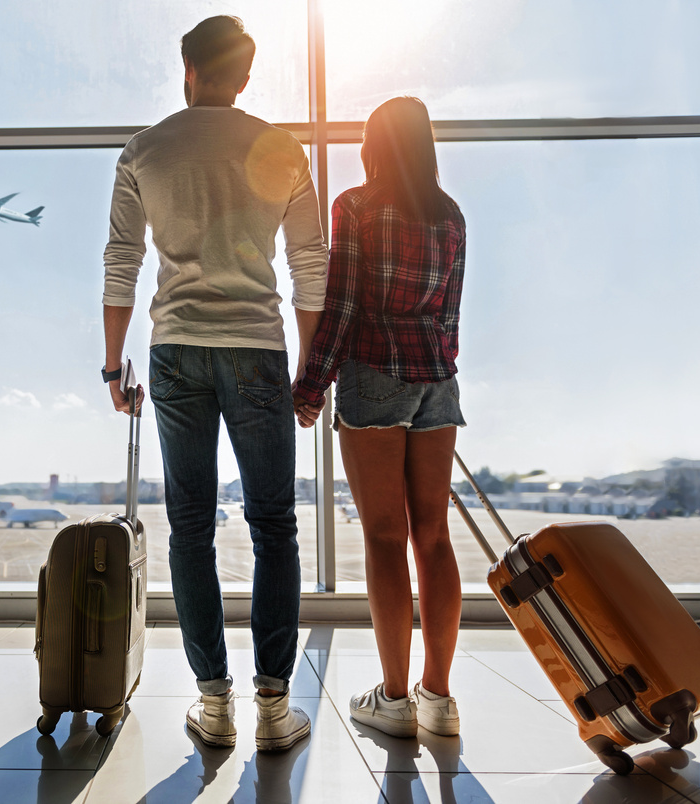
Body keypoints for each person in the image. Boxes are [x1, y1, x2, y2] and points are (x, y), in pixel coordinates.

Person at [102, 15, 327, 751]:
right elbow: (310, 266)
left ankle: (214, 703)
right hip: (257, 348)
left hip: (175, 352)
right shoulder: (283, 149)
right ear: (246, 76)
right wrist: (308, 371)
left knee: (191, 528)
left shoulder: (145, 150)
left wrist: (113, 364)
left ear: (187, 68)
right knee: (274, 526)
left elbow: (121, 262)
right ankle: (272, 707)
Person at [292, 96, 467, 738]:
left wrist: (311, 388)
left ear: (374, 145)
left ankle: (393, 701)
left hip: (373, 376)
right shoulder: (451, 216)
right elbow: (450, 314)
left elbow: (340, 306)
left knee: (385, 538)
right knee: (435, 537)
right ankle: (439, 700)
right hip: (438, 382)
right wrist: (435, 378)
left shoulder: (358, 206)